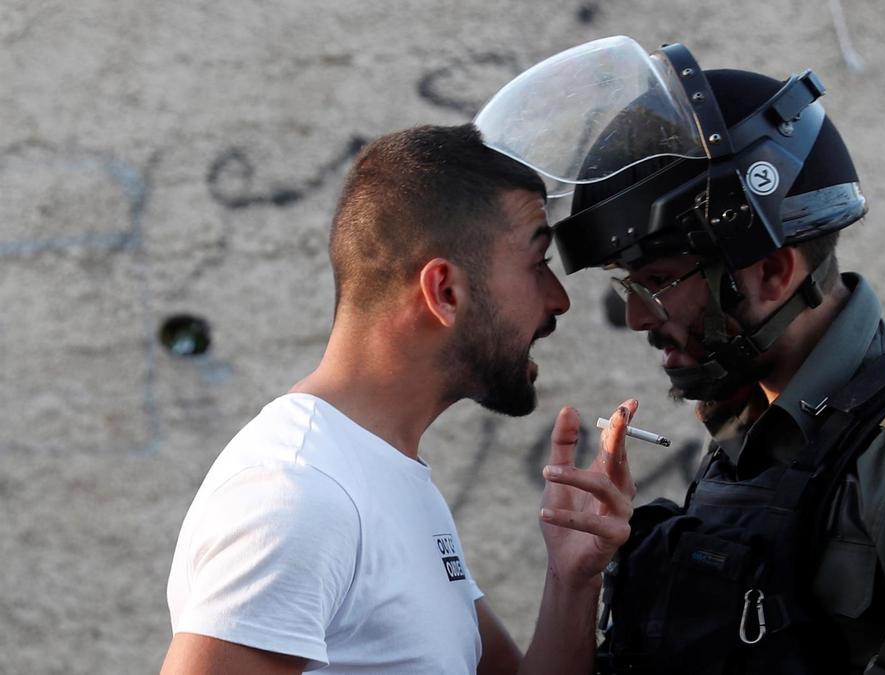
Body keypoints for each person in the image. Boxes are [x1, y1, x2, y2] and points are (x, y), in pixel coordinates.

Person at [474, 36, 885, 674]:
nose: (636, 317)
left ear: (771, 271)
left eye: (656, 282)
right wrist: (579, 583)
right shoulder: (758, 427)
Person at [161, 124, 639, 675]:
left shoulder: (381, 474)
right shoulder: (298, 496)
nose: (559, 301)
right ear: (445, 292)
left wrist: (572, 578)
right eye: (538, 264)